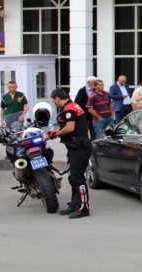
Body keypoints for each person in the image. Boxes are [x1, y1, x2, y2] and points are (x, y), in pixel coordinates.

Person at [49, 89, 91, 219]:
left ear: (57, 98)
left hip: (79, 147)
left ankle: (84, 207)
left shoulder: (69, 109)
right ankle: (75, 204)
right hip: (75, 146)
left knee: (78, 178)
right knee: (73, 177)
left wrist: (56, 134)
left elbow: (69, 128)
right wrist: (49, 135)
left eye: (54, 100)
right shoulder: (71, 106)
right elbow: (64, 126)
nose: (54, 103)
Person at [74, 76, 97, 140]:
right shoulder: (82, 91)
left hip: (93, 115)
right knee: (85, 131)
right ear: (89, 83)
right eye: (94, 83)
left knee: (94, 131)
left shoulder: (95, 90)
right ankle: (86, 144)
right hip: (85, 115)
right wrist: (88, 105)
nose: (95, 84)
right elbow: (77, 102)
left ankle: (93, 144)